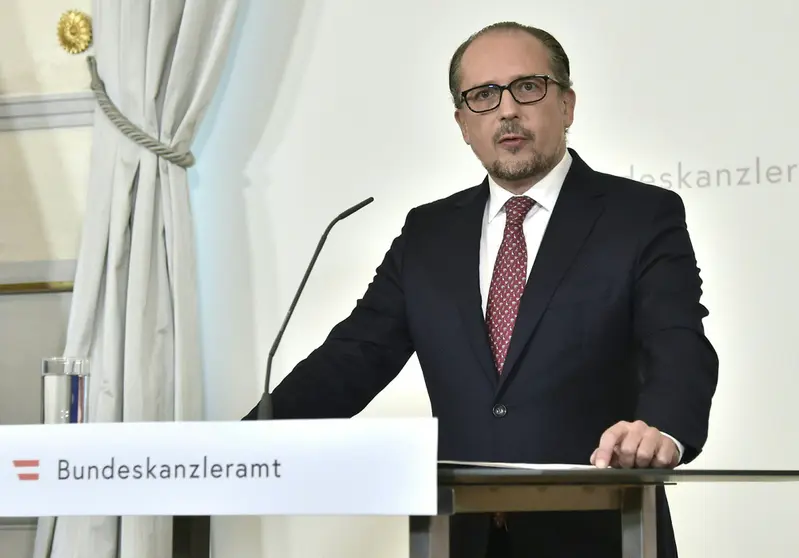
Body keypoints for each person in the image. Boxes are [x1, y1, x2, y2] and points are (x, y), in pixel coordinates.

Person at [243, 21, 718, 558]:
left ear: (566, 105)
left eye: (528, 87)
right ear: (463, 123)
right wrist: (240, 445)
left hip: (601, 531)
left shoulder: (639, 217)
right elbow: (355, 356)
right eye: (484, 95)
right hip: (457, 535)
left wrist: (662, 430)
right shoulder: (429, 233)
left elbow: (677, 341)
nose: (507, 110)